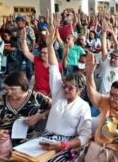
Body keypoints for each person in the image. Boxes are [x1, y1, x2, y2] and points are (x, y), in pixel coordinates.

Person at [39, 27, 92, 161]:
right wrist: (50, 45)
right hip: (46, 139)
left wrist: (64, 145)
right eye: (64, 86)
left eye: (70, 88)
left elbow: (85, 136)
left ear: (79, 89)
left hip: (65, 145)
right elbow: (54, 68)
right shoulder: (59, 94)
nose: (66, 90)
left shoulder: (83, 106)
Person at [85, 52, 118, 161]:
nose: (111, 98)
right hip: (99, 149)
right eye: (111, 94)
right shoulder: (107, 102)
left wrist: (113, 160)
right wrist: (90, 72)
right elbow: (92, 93)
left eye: (116, 96)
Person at [94, 19, 118, 95]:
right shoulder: (107, 63)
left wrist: (113, 33)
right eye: (112, 57)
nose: (112, 59)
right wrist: (104, 33)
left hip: (114, 101)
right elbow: (104, 49)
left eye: (116, 58)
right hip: (102, 98)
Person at [21, 28, 51, 96]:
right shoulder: (37, 60)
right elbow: (26, 52)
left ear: (50, 54)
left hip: (49, 94)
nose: (42, 54)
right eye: (41, 52)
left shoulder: (54, 66)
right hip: (36, 92)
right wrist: (23, 40)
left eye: (45, 53)